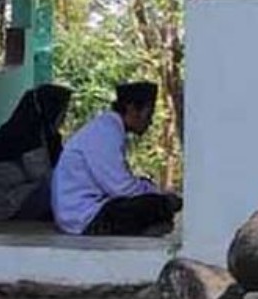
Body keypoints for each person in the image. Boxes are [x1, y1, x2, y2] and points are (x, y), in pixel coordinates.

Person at [51, 81, 183, 236]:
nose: (150, 121)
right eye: (149, 114)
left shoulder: (109, 129)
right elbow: (121, 188)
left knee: (151, 197)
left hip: (83, 213)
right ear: (132, 109)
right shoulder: (105, 133)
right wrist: (159, 196)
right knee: (159, 205)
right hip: (84, 218)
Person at [0, 83, 72, 222]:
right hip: (2, 207)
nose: (64, 118)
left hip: (14, 198)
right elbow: (44, 175)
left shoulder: (44, 134)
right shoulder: (25, 135)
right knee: (57, 186)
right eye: (62, 112)